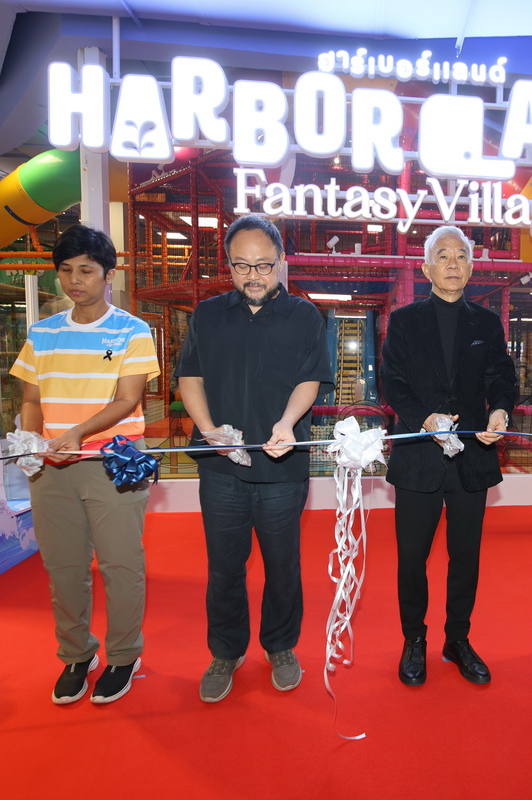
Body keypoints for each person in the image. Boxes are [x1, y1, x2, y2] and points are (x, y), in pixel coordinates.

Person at [175, 214, 333, 703]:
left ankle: (281, 646)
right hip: (221, 468)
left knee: (283, 565)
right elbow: (190, 377)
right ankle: (226, 650)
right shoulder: (208, 314)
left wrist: (287, 423)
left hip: (282, 468)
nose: (253, 276)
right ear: (228, 264)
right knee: (224, 566)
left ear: (281, 261)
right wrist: (208, 432)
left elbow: (310, 379)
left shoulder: (305, 316)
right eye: (241, 266)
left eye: (264, 265)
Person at [10, 224, 159, 705]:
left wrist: (77, 433)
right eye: (66, 270)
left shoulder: (132, 331)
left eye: (87, 270)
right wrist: (32, 439)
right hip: (52, 466)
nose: (75, 280)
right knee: (63, 567)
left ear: (108, 275)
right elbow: (31, 399)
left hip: (113, 462)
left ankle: (124, 656)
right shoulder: (42, 332)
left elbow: (127, 399)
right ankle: (77, 655)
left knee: (121, 564)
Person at [380, 225, 516, 687]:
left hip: (471, 457)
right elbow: (392, 383)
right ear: (426, 268)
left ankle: (457, 639)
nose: (453, 263)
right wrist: (425, 419)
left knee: (466, 557)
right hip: (418, 456)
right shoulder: (404, 321)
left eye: (461, 255)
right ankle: (413, 639)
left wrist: (500, 410)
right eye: (443, 255)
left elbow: (501, 377)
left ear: (472, 266)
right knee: (411, 558)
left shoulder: (487, 323)